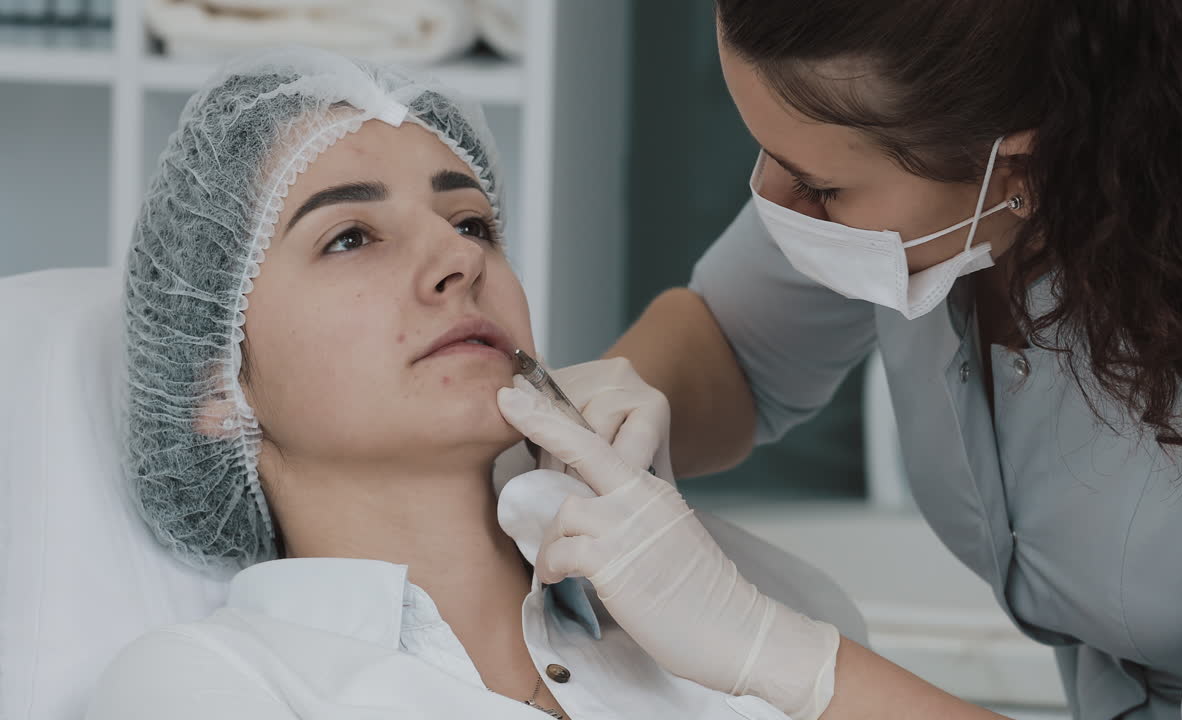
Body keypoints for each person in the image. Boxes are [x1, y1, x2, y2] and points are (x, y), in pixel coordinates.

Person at [498, 1, 1182, 718]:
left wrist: (784, 659)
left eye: (817, 186)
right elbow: (733, 347)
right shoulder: (929, 182)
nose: (773, 202)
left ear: (1021, 169)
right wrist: (585, 437)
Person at [87, 47, 802, 720]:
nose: (458, 255)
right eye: (351, 238)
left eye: (474, 222)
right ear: (216, 383)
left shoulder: (722, 622)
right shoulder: (202, 684)